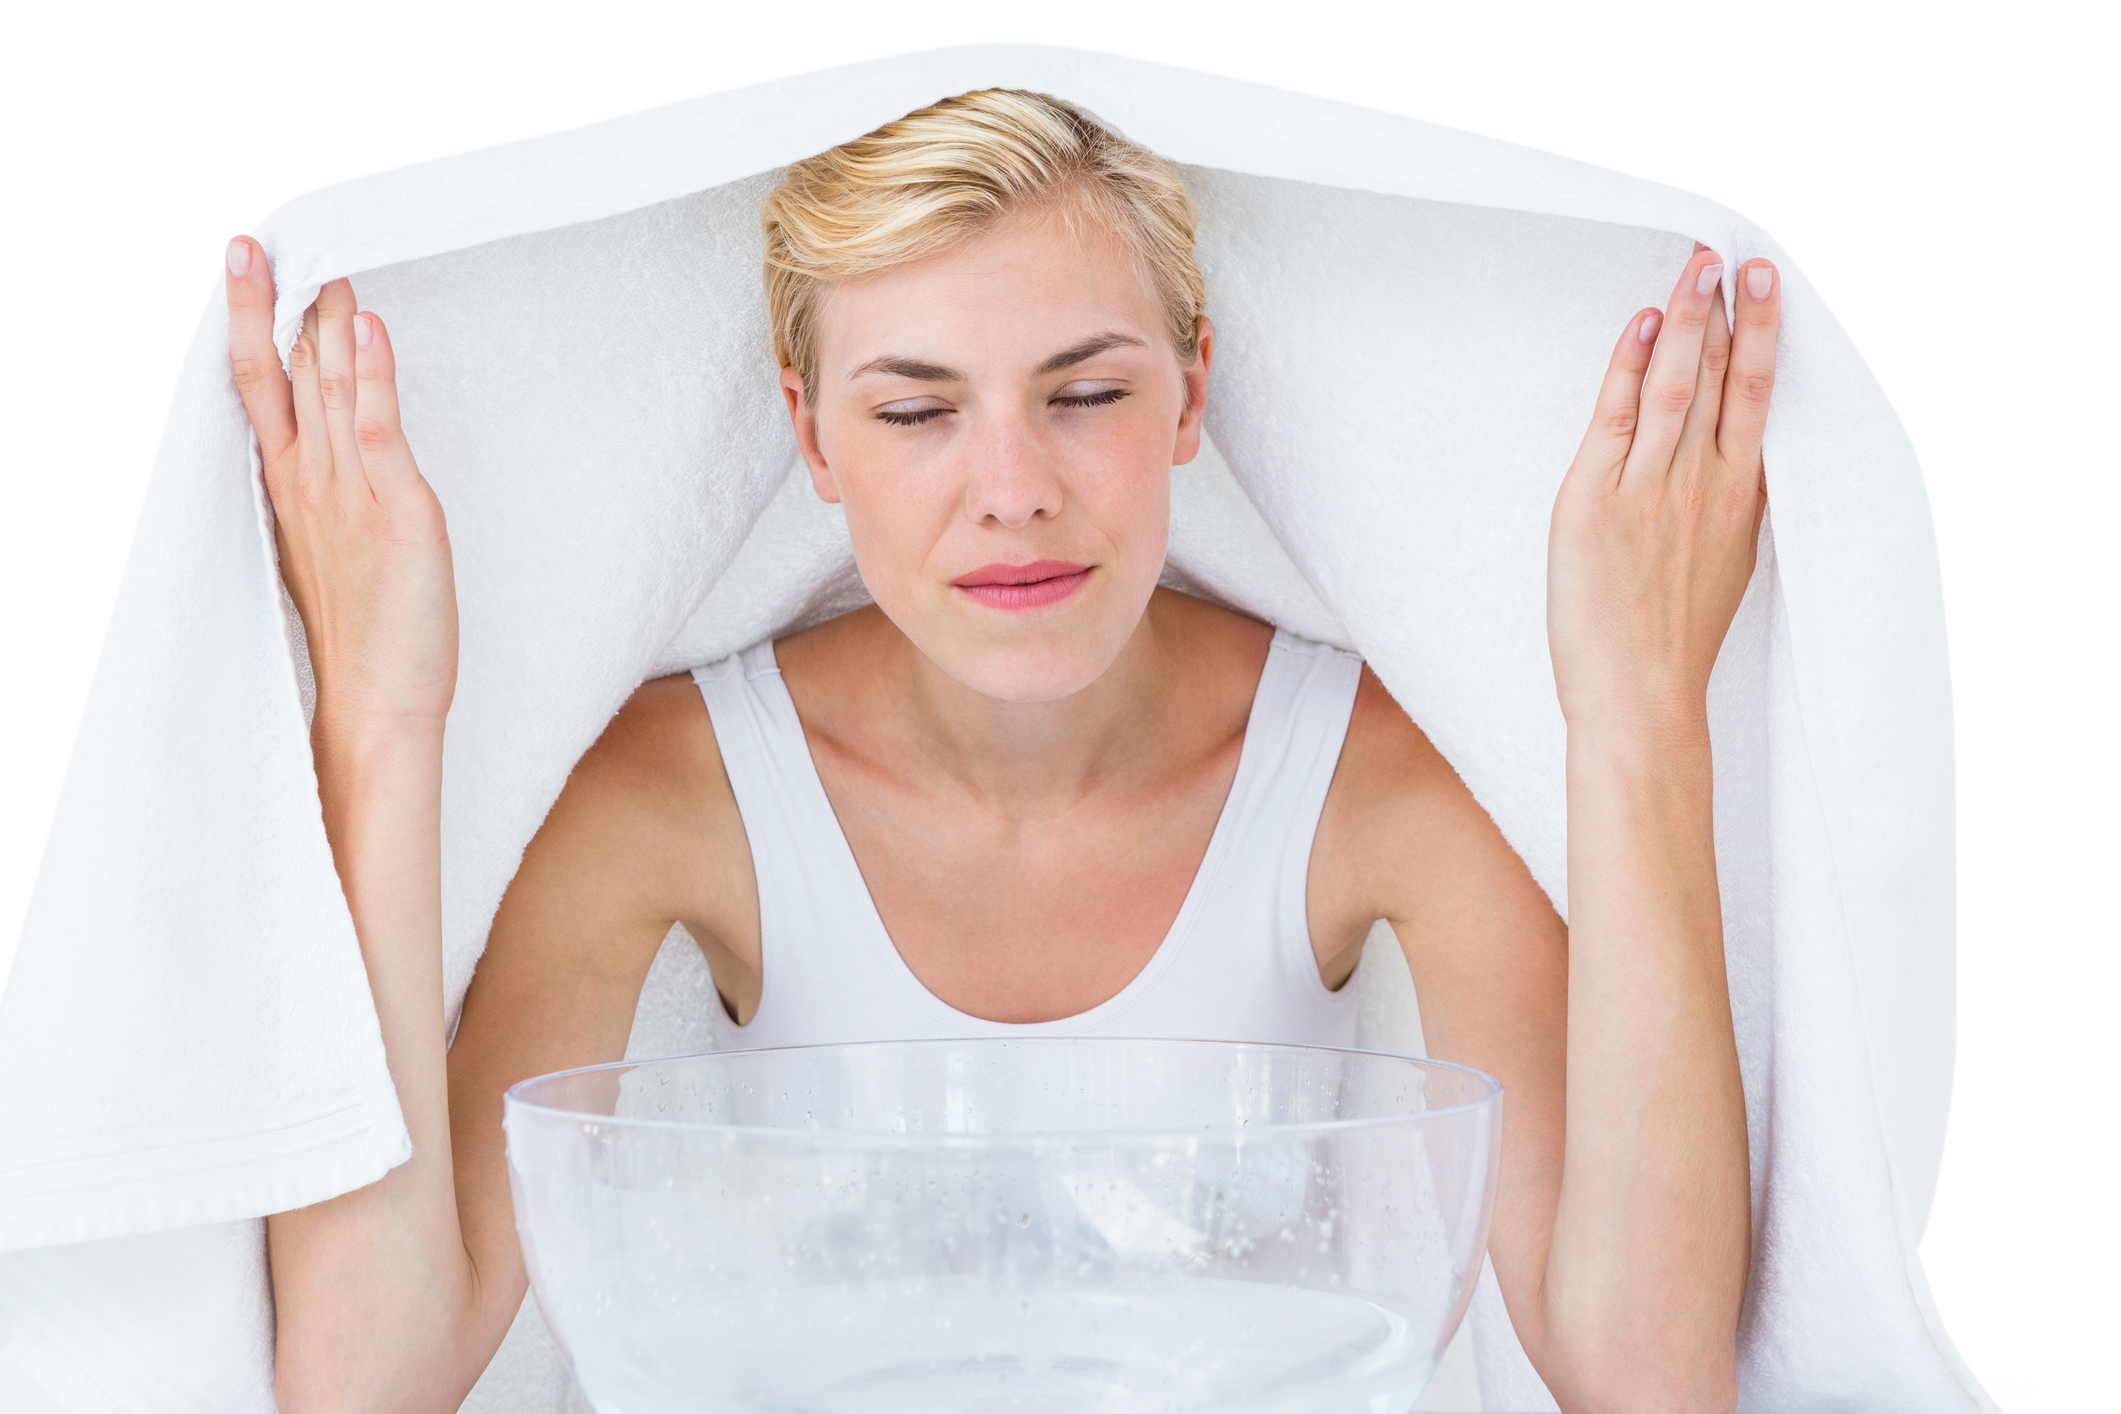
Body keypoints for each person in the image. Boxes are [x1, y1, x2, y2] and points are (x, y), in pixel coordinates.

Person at [227, 89, 1773, 1413]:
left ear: (1191, 393)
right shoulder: (669, 793)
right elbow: (371, 1376)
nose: (1013, 488)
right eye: (915, 413)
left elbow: (1642, 1373)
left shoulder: (1374, 776)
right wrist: (377, 709)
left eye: (1085, 391)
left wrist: (1639, 714)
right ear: (812, 434)